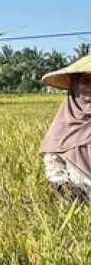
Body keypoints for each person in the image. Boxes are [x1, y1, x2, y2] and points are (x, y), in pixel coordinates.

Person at [40, 55, 91, 201]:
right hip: (78, 201)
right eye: (85, 81)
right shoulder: (63, 124)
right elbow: (53, 165)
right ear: (74, 85)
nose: (90, 87)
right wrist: (66, 189)